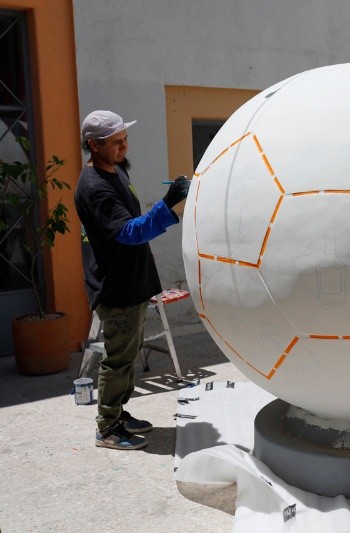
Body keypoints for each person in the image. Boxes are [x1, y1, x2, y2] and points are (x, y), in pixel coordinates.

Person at [74, 110, 190, 450]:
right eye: (115, 142)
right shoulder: (95, 187)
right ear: (93, 145)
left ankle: (119, 413)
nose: (124, 146)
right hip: (117, 286)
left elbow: (132, 222)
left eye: (125, 138)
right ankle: (107, 428)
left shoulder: (115, 170)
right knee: (118, 358)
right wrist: (168, 205)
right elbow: (127, 231)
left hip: (134, 279)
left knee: (129, 352)